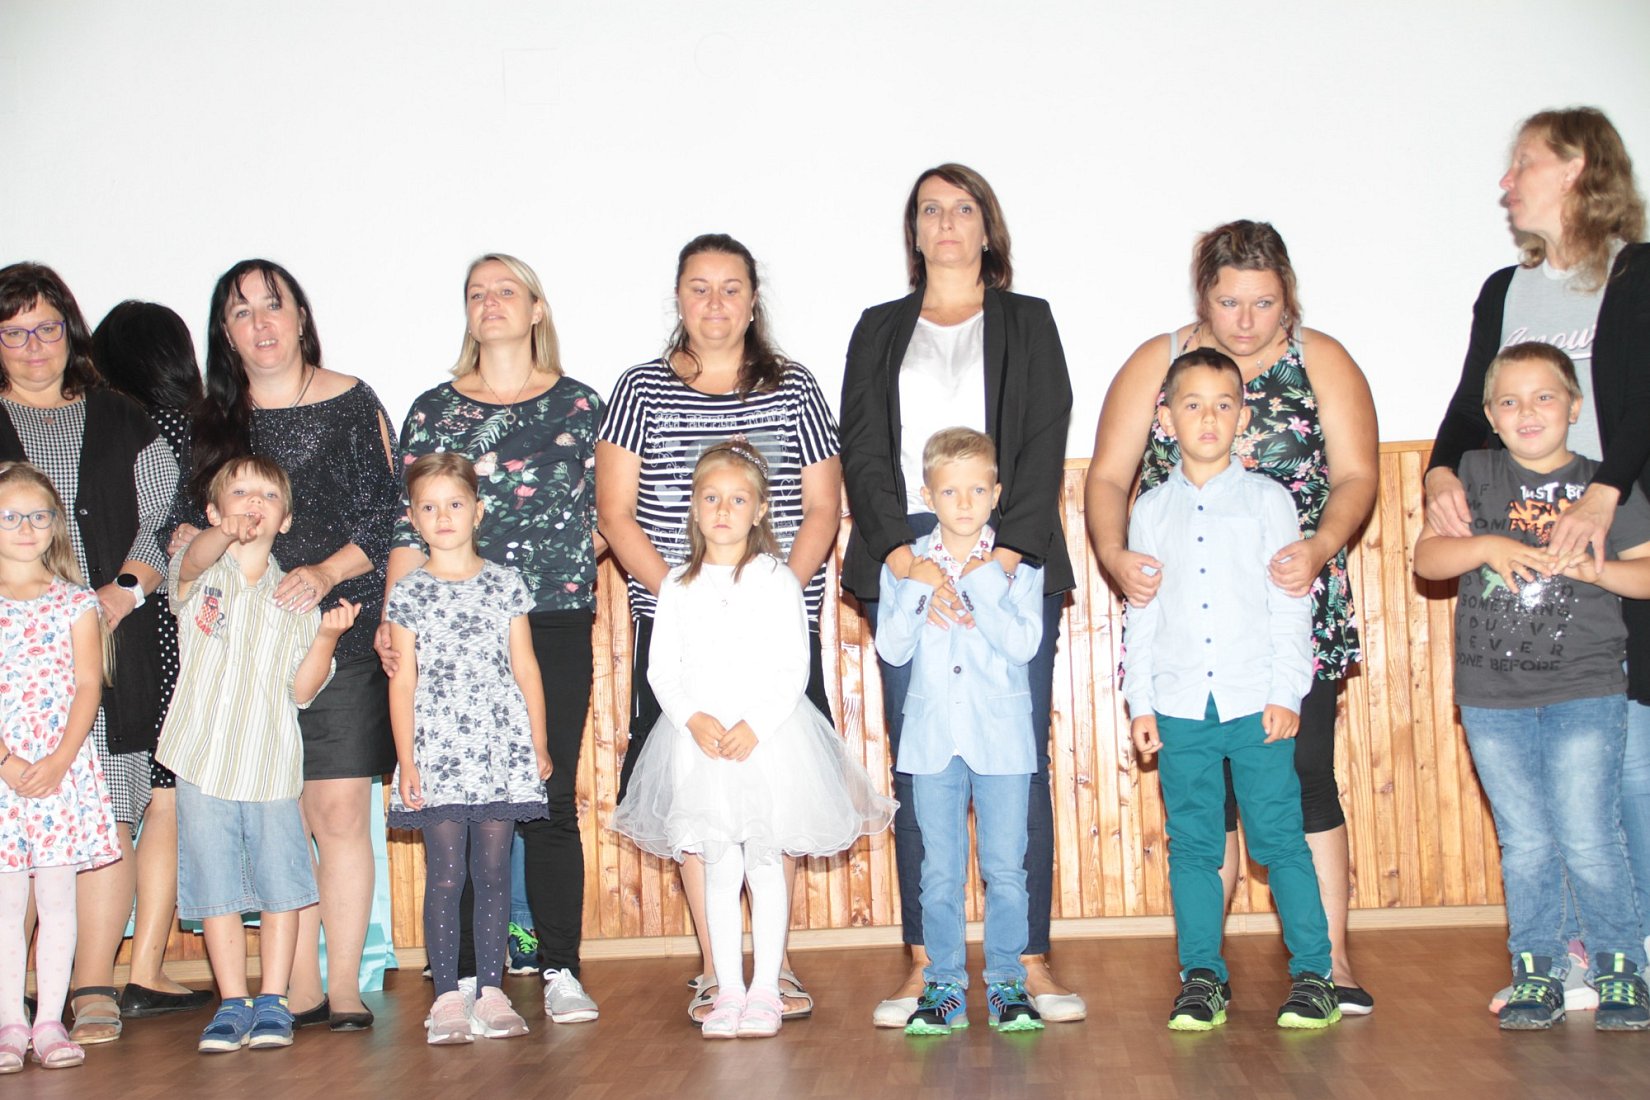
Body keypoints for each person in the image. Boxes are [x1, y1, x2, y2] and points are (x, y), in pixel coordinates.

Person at [1085, 220, 1378, 1013]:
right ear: (1202, 298)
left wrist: (1319, 548)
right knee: (1199, 813)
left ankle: (1328, 962)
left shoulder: (1321, 360)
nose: (1246, 320)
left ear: (1288, 298)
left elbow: (1357, 475)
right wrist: (1115, 556)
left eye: (1264, 303)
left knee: (1303, 783)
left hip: (1288, 606)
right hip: (1183, 621)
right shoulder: (1157, 363)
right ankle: (1202, 970)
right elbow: (1108, 477)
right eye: (1228, 302)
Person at [838, 164, 1080, 1026]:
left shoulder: (1028, 321)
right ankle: (926, 965)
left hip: (1007, 556)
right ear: (914, 231)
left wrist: (1004, 559)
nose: (946, 221)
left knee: (1018, 760)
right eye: (930, 209)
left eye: (963, 208)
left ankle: (1028, 962)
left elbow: (1045, 437)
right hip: (909, 558)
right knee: (923, 764)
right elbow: (863, 446)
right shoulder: (878, 328)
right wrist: (902, 559)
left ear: (987, 228)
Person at [1422, 107, 1650, 1013]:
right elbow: (1467, 402)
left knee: (1627, 765)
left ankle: (1630, 947)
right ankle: (1566, 957)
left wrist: (1606, 493)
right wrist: (1440, 469)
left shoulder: (1637, 273)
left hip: (1623, 522)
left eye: (1523, 163)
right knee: (1551, 808)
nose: (1507, 182)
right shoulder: (1504, 289)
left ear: (1577, 168)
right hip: (1531, 530)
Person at [598, 233, 841, 1023]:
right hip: (681, 637)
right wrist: (689, 598)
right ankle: (716, 969)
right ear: (679, 297)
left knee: (777, 796)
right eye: (698, 287)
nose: (714, 303)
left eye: (730, 288)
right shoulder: (640, 389)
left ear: (752, 299)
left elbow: (822, 507)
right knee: (698, 805)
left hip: (775, 640)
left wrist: (769, 595)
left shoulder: (795, 387)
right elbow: (616, 512)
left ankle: (775, 968)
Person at [177, 259, 400, 1031]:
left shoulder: (352, 401)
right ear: (226, 333)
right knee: (280, 820)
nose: (261, 323)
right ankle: (293, 989)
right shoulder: (212, 422)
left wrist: (324, 572)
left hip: (338, 632)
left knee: (337, 813)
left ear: (301, 316)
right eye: (241, 312)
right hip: (242, 664)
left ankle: (344, 987)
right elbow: (182, 528)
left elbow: (387, 514)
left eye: (273, 305)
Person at [379, 253, 602, 1022]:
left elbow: (608, 513)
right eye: (477, 292)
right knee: (462, 805)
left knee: (549, 795)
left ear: (537, 308)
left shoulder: (582, 405)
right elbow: (403, 527)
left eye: (507, 290)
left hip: (553, 618)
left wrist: (564, 561)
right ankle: (470, 982)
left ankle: (561, 968)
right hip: (445, 629)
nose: (491, 301)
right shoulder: (433, 411)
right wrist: (392, 624)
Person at [610, 441, 894, 1039]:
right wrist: (691, 718)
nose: (723, 510)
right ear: (694, 507)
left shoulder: (776, 580)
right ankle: (728, 991)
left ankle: (766, 988)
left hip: (766, 743)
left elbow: (793, 667)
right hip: (701, 746)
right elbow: (661, 670)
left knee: (764, 862)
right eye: (711, 498)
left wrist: (756, 726)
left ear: (760, 509)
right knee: (718, 865)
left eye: (737, 500)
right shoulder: (677, 586)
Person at [1124, 350, 1338, 1031]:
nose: (1208, 418)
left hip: (1255, 703)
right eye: (1192, 404)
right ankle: (1202, 978)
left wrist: (1287, 693)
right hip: (1181, 706)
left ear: (1243, 418)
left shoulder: (1269, 501)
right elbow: (1142, 614)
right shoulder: (1150, 511)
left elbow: (1290, 604)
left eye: (1223, 404)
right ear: (1166, 419)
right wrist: (1140, 702)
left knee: (1278, 841)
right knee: (1194, 847)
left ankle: (1315, 975)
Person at [0, 263, 181, 1045]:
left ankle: (93, 986)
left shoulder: (123, 416)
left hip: (108, 652)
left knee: (105, 814)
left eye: (46, 327)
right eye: (13, 334)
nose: (33, 345)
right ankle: (13, 1001)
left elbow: (162, 518)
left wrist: (120, 594)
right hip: (10, 668)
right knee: (12, 840)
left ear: (69, 331)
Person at [157, 455, 357, 1053]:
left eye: (268, 496)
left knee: (281, 886)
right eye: (240, 493)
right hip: (202, 760)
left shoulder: (296, 597)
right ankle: (231, 1002)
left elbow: (302, 690)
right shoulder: (199, 574)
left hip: (270, 765)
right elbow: (193, 559)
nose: (254, 503)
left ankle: (272, 999)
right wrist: (219, 535)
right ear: (213, 511)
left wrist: (327, 637)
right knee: (215, 887)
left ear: (285, 519)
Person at [874, 428, 1046, 1036]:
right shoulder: (909, 564)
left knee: (1006, 869)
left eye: (977, 489)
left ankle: (1007, 984)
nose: (965, 502)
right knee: (939, 872)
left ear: (996, 493)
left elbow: (1023, 644)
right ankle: (942, 983)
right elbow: (892, 648)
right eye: (950, 491)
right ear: (928, 496)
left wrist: (983, 584)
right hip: (932, 741)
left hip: (1002, 741)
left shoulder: (1016, 565)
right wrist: (919, 589)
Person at [386, 452, 553, 1045]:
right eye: (429, 507)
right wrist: (407, 759)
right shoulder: (409, 592)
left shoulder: (506, 584)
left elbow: (525, 667)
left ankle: (491, 990)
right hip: (437, 750)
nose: (443, 516)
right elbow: (402, 681)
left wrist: (537, 740)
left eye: (455, 504)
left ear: (477, 512)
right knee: (446, 873)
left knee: (493, 870)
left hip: (498, 748)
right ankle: (446, 998)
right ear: (414, 519)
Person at [89, 300, 215, 1019]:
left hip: (123, 630)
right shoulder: (203, 430)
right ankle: (145, 970)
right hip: (190, 632)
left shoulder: (111, 427)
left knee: (121, 801)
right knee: (165, 800)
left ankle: (93, 969)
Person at [0, 462, 119, 1070]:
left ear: (55, 524)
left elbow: (88, 685)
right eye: (10, 516)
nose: (26, 528)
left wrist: (60, 760)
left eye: (38, 516)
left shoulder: (75, 602)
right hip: (5, 772)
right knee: (5, 905)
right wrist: (7, 761)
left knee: (57, 898)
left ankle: (49, 1020)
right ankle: (8, 1022)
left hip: (59, 771)